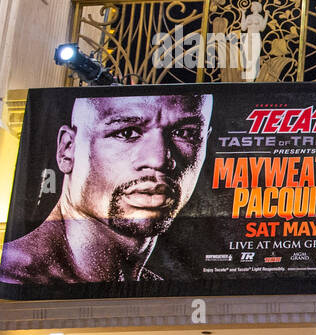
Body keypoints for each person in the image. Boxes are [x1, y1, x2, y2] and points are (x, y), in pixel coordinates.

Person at [0, 93, 213, 284]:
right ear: (67, 150)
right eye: (127, 132)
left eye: (186, 133)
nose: (158, 160)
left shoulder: (153, 287)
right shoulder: (12, 282)